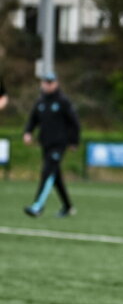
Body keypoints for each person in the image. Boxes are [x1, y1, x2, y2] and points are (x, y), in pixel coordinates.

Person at [23, 73, 79, 218]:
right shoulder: (40, 102)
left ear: (56, 83)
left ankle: (38, 206)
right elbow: (32, 120)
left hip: (59, 145)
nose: (47, 85)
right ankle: (67, 207)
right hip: (46, 144)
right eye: (45, 82)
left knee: (47, 173)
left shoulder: (63, 101)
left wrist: (74, 141)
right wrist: (28, 132)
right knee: (56, 177)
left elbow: (74, 123)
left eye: (50, 82)